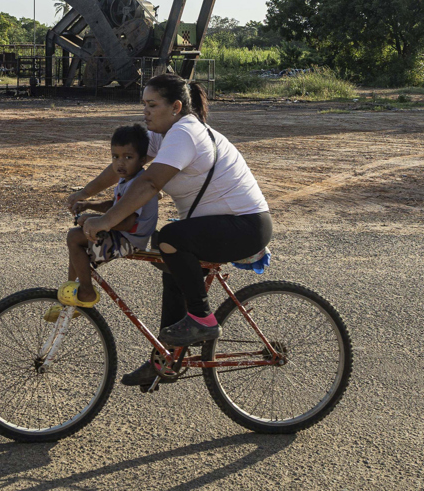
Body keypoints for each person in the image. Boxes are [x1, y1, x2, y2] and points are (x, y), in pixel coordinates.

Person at [64, 73, 271, 387]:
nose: (144, 112)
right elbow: (127, 166)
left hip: (245, 225)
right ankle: (167, 358)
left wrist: (105, 222)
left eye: (152, 105)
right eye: (143, 104)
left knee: (173, 238)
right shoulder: (164, 134)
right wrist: (85, 194)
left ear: (176, 107)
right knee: (168, 254)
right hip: (224, 225)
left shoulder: (185, 133)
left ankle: (203, 318)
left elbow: (149, 182)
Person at [47, 124, 158, 322]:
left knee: (74, 237)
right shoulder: (128, 179)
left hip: (130, 239)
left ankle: (86, 293)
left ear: (143, 160)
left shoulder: (139, 183)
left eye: (128, 157)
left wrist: (94, 220)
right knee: (77, 240)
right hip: (123, 234)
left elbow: (127, 222)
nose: (120, 163)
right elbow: (113, 206)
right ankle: (72, 294)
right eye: (115, 157)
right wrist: (88, 205)